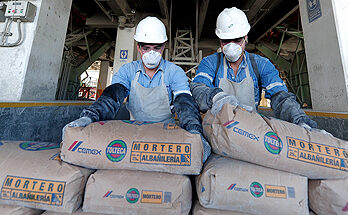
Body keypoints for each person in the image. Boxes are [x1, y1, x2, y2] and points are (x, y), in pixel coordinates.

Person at [63, 16, 211, 161]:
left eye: (156, 48)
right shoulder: (127, 71)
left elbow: (185, 103)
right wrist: (89, 117)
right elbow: (112, 97)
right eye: (146, 48)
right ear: (138, 47)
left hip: (167, 133)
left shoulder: (174, 72)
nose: (151, 53)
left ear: (164, 46)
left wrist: (194, 131)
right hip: (135, 131)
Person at [190, 7, 319, 130]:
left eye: (237, 40)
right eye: (226, 41)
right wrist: (216, 97)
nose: (231, 46)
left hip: (251, 129)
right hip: (219, 127)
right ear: (219, 40)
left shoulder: (261, 64)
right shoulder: (210, 63)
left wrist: (299, 120)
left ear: (246, 38)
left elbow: (280, 96)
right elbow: (198, 88)